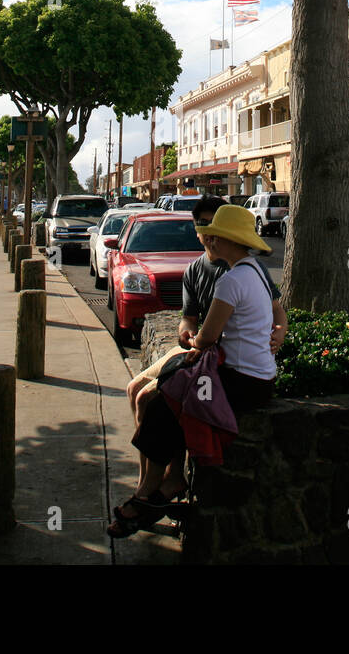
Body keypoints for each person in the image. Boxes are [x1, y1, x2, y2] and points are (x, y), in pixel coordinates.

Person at [110, 204, 281, 538]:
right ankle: (156, 487)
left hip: (241, 380)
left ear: (226, 240)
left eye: (215, 234)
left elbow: (208, 337)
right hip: (260, 379)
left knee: (163, 403)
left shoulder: (233, 280)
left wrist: (192, 338)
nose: (210, 240)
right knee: (164, 397)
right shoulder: (255, 271)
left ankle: (150, 493)